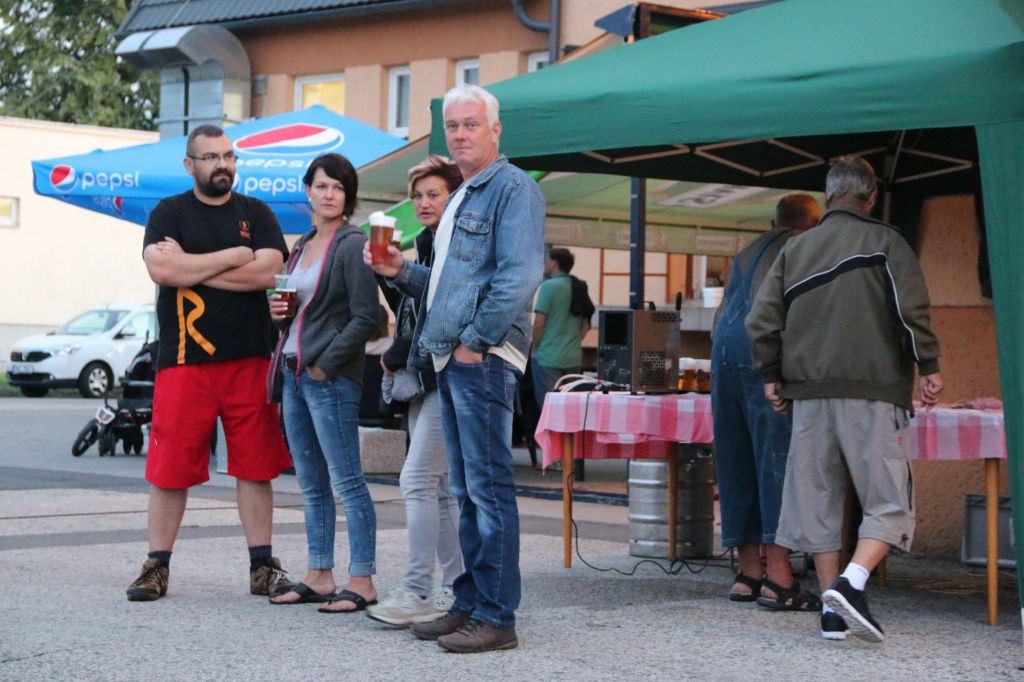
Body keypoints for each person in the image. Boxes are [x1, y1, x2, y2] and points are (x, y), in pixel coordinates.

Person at [366, 84, 545, 653]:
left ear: (496, 130)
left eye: (471, 124)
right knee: (467, 489)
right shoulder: (466, 193)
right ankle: (468, 603)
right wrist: (398, 270)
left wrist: (475, 342)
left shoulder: (512, 188)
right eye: (453, 126)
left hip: (481, 358)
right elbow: (446, 287)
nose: (461, 134)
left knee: (486, 488)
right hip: (455, 356)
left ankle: (497, 616)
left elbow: (520, 277)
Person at [746, 156, 943, 642]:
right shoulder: (886, 241)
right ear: (871, 197)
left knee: (819, 500)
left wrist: (771, 375)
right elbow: (911, 311)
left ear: (829, 196)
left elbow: (761, 321)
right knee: (889, 501)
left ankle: (831, 613)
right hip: (872, 389)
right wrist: (929, 365)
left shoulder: (796, 248)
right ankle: (852, 585)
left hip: (809, 395)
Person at [128, 124, 294, 602]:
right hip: (184, 360)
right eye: (211, 157)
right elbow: (161, 268)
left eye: (229, 156)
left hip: (250, 358)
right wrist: (233, 256)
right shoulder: (169, 212)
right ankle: (156, 566)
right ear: (190, 165)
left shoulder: (256, 212)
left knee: (256, 467)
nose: (223, 164)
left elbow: (269, 271)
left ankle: (262, 566)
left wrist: (193, 268)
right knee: (170, 469)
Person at [266, 153, 381, 612]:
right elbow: (298, 317)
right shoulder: (302, 244)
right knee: (311, 483)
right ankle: (319, 574)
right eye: (321, 186)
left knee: (348, 481)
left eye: (338, 187)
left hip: (327, 377)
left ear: (347, 195)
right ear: (308, 191)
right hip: (293, 372)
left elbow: (367, 318)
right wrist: (280, 314)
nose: (329, 194)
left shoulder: (353, 244)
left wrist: (324, 365)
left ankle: (362, 579)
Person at [366, 156, 467, 627]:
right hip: (424, 377)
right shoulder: (425, 242)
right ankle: (456, 586)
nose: (425, 203)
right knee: (438, 486)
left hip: (448, 372)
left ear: (454, 198)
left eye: (434, 195)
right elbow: (411, 307)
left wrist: (397, 351)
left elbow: (443, 308)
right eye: (418, 196)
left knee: (418, 479)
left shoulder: (458, 243)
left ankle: (418, 590)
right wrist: (386, 271)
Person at [710, 194, 822, 611]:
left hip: (723, 353)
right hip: (761, 355)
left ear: (775, 220)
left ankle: (747, 574)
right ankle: (779, 578)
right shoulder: (800, 246)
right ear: (813, 224)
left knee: (736, 461)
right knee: (775, 463)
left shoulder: (747, 250)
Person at [531, 247, 590, 409]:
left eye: (547, 260)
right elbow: (586, 324)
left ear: (555, 264)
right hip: (573, 356)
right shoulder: (579, 286)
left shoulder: (549, 287)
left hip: (548, 356)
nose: (545, 263)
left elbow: (539, 324)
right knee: (571, 408)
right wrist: (574, 341)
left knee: (549, 408)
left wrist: (535, 349)